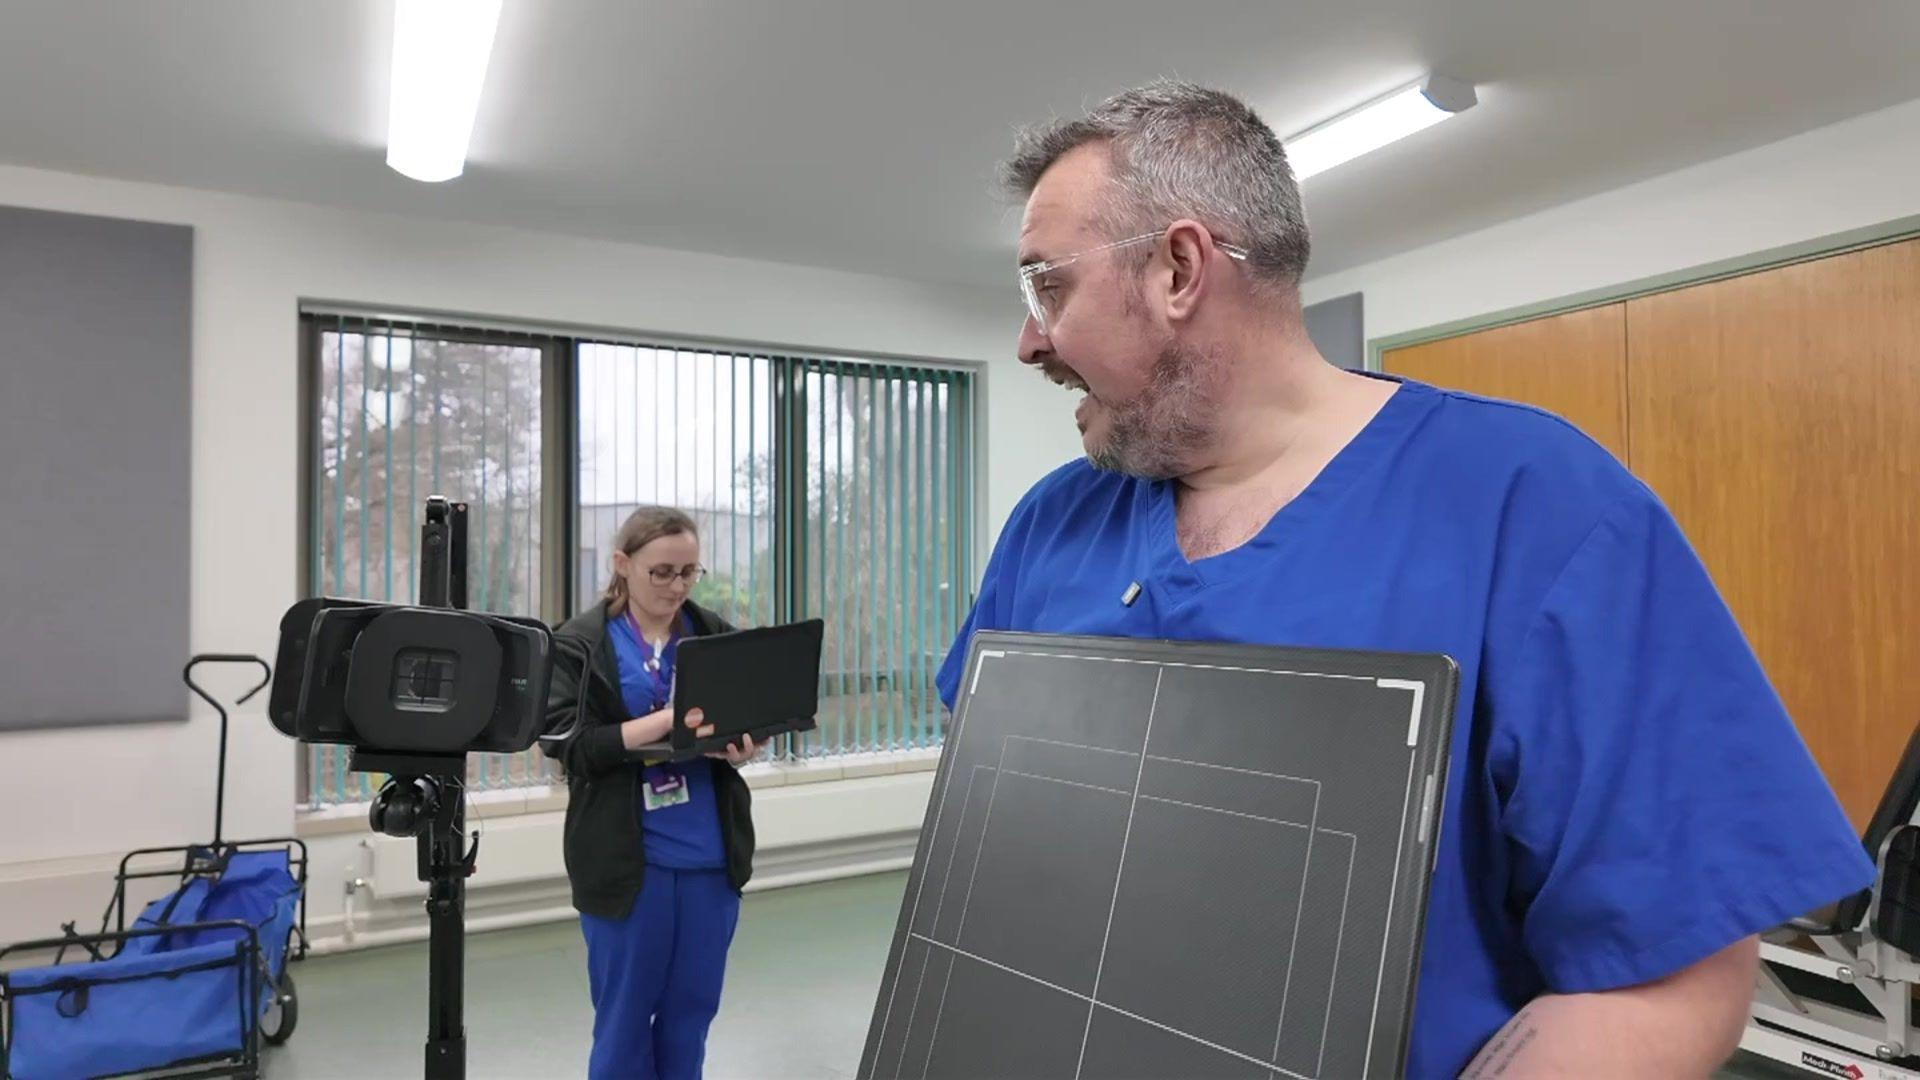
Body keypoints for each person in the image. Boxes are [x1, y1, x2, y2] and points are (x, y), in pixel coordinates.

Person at [935, 79, 1874, 1078]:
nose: (1031, 341)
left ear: (1178, 268)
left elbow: (1669, 969)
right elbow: (990, 844)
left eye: (1049, 288)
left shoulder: (1537, 507)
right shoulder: (1054, 524)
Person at [543, 506, 762, 1080]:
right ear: (623, 564)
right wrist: (665, 721)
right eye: (661, 572)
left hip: (709, 857)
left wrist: (744, 742)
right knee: (624, 1018)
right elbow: (573, 746)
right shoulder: (580, 643)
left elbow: (751, 713)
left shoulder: (712, 633)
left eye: (689, 572)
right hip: (625, 863)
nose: (676, 586)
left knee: (691, 1015)